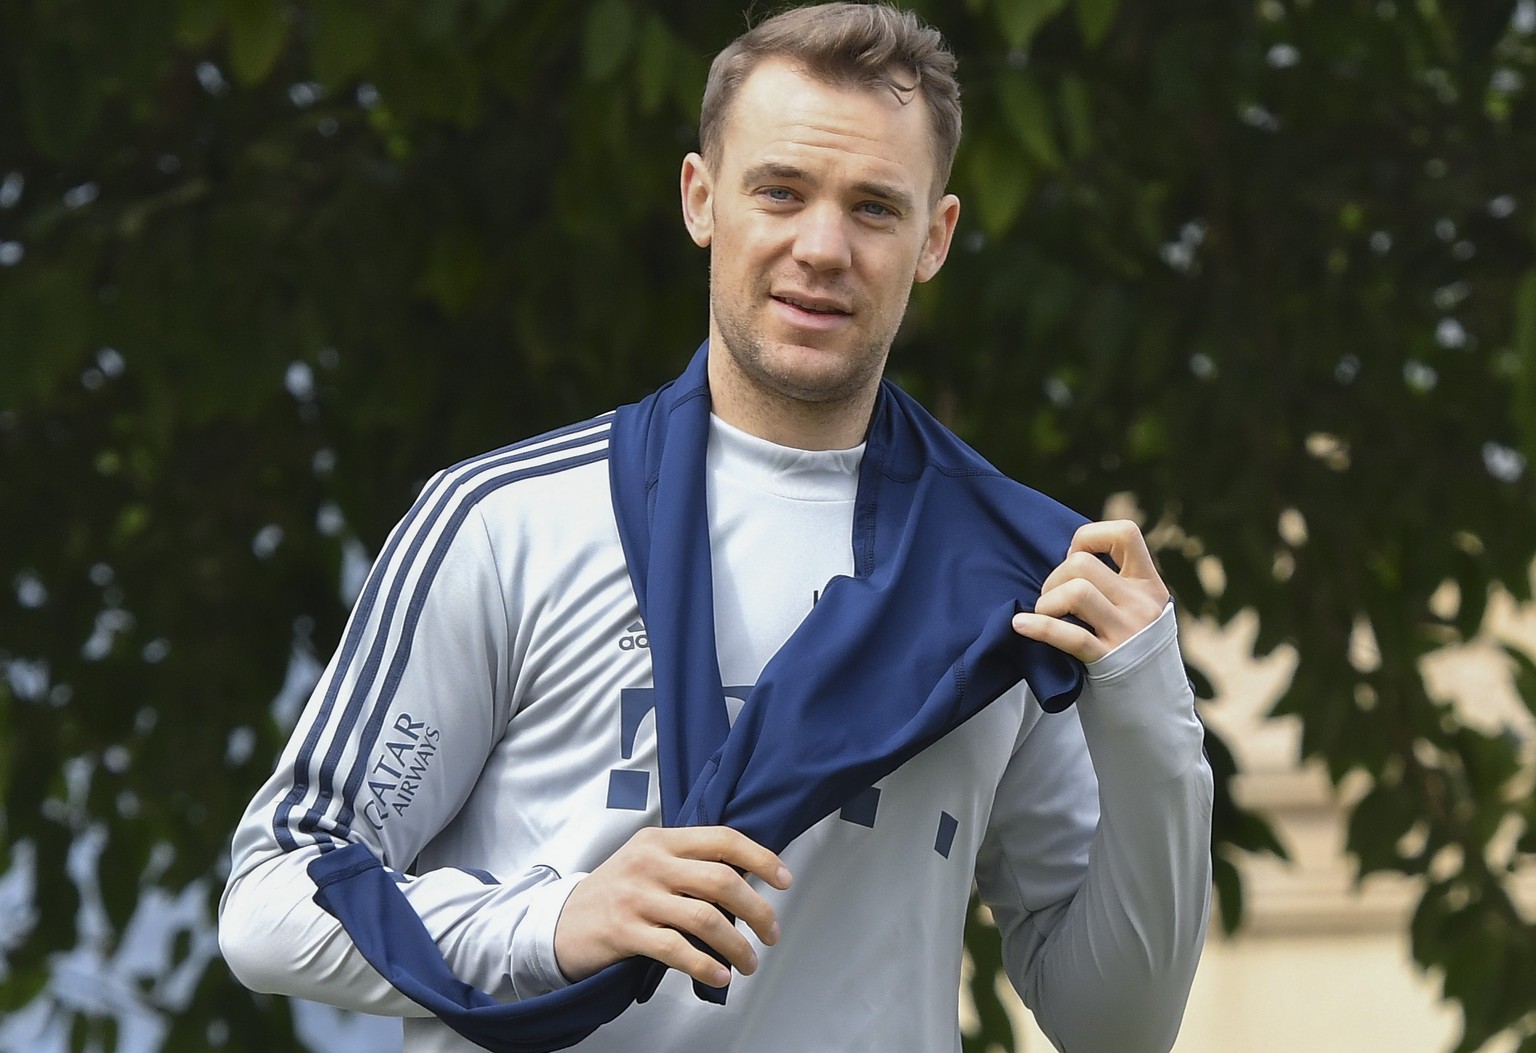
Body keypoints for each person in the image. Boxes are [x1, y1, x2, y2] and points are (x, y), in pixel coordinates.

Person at [219, 4, 1213, 1052]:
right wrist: (551, 922)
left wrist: (1152, 709)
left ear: (936, 238)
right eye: (780, 191)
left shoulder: (1010, 581)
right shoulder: (506, 523)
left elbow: (1120, 1030)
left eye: (875, 208)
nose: (821, 247)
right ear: (701, 199)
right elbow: (273, 898)